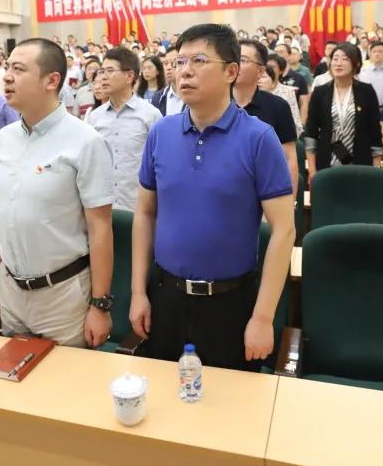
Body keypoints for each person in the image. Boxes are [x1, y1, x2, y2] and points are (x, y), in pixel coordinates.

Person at [131, 24, 294, 371]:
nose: (185, 71)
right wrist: (138, 293)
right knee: (164, 395)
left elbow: (284, 230)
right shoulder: (161, 133)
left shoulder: (259, 138)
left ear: (231, 71)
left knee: (231, 400)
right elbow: (145, 213)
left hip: (231, 302)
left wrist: (263, 317)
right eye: (180, 61)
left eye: (200, 61)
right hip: (166, 297)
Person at [0, 38, 115, 348]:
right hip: (11, 288)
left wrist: (100, 305)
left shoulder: (85, 141)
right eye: (7, 68)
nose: (7, 77)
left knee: (64, 377)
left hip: (63, 293)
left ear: (51, 80)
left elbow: (100, 227)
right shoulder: (2, 140)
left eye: (19, 69)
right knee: (13, 372)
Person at [87, 48, 162, 213]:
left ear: (129, 76)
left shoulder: (150, 115)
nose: (103, 77)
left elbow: (159, 164)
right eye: (102, 71)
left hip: (137, 209)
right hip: (102, 208)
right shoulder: (95, 117)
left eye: (110, 71)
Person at [303, 42, 382, 179]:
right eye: (335, 59)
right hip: (326, 164)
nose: (338, 63)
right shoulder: (320, 92)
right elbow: (311, 134)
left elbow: (375, 133)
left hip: (360, 165)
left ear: (356, 64)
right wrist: (312, 171)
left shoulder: (366, 91)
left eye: (345, 59)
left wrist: (375, 171)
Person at [236, 40, 299, 192]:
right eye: (232, 58)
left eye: (243, 60)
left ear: (260, 71)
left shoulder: (278, 106)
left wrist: (290, 201)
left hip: (266, 191)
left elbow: (289, 158)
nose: (235, 64)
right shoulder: (215, 105)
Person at [262, 55, 302, 131]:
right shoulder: (255, 89)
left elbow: (295, 120)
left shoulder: (288, 92)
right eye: (266, 65)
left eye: (272, 66)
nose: (268, 68)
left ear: (281, 70)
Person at [274, 44, 310, 125]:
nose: (278, 54)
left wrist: (302, 124)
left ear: (289, 55)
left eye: (281, 52)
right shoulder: (268, 77)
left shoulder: (299, 78)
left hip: (293, 121)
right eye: (276, 52)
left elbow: (304, 103)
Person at [358, 41, 383, 106]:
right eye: (374, 52)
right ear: (370, 54)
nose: (377, 54)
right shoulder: (363, 72)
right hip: (369, 107)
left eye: (380, 51)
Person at [151, 48, 184, 116]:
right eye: (166, 63)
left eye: (175, 62)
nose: (168, 67)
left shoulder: (196, 95)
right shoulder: (158, 97)